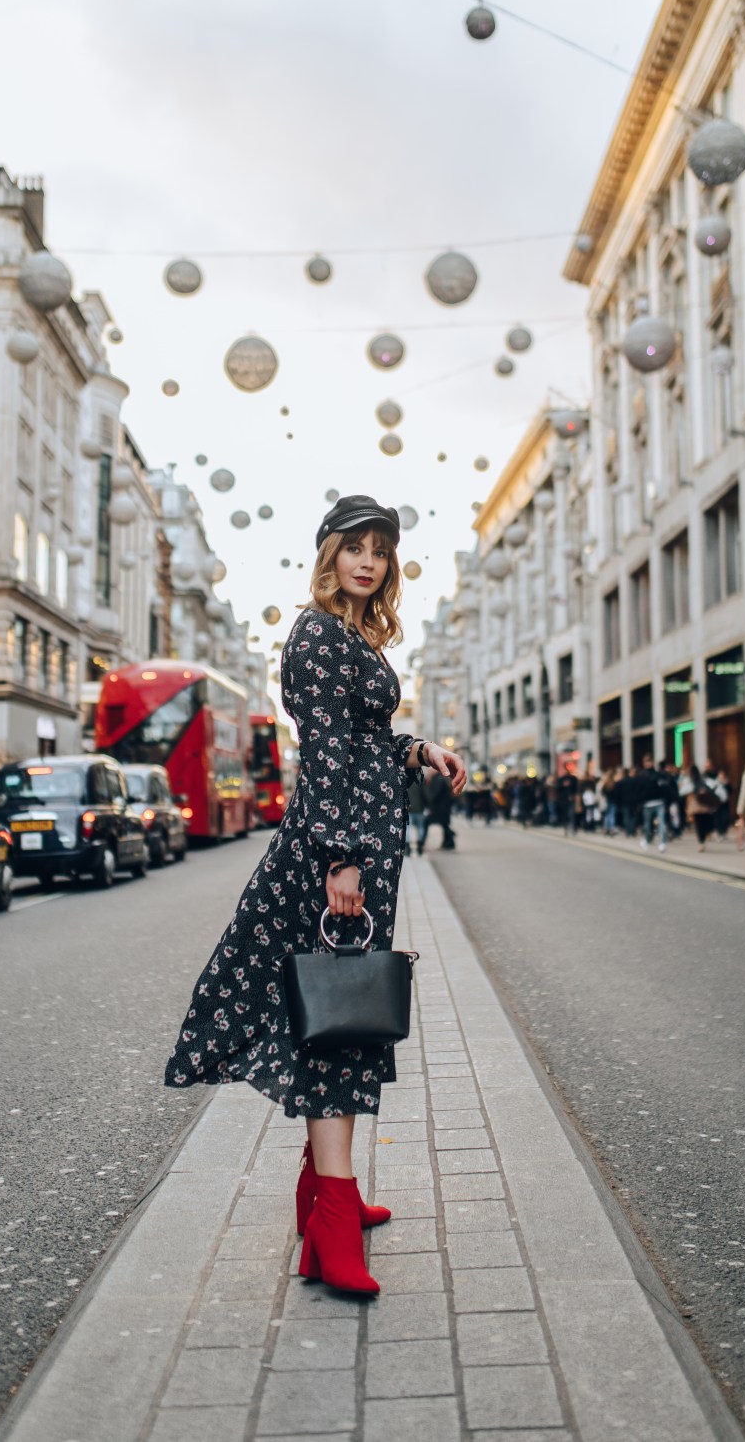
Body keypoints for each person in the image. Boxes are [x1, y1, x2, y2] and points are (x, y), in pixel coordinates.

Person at [163, 494, 467, 1296]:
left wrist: (419, 749)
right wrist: (343, 860)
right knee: (337, 1023)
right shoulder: (317, 634)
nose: (368, 560)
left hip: (361, 848)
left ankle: (325, 1190)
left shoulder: (351, 634)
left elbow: (364, 741)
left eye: (380, 549)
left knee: (342, 1015)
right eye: (354, 547)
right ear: (328, 553)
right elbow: (328, 753)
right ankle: (329, 1220)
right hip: (338, 856)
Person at [636, 754, 667, 850]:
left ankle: (662, 842)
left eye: (649, 761)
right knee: (647, 824)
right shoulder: (641, 775)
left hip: (659, 802)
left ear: (652, 762)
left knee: (661, 823)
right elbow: (638, 790)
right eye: (645, 761)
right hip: (646, 803)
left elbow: (664, 788)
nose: (647, 763)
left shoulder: (658, 774)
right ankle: (647, 839)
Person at [685, 764, 720, 847]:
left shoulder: (692, 780)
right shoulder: (702, 779)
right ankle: (703, 839)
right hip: (703, 805)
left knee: (699, 823)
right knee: (703, 822)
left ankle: (701, 841)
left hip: (697, 804)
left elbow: (685, 791)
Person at [425, 764, 457, 850]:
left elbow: (434, 795)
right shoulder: (440, 778)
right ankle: (448, 842)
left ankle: (449, 842)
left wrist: (428, 802)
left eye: (430, 770)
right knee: (444, 825)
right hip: (443, 808)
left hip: (440, 808)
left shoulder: (438, 780)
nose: (428, 772)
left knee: (431, 823)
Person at [406, 771, 429, 856]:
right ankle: (419, 846)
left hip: (409, 807)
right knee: (420, 828)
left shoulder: (405, 776)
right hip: (420, 808)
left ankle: (407, 848)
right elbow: (426, 794)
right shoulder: (422, 779)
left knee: (408, 828)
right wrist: (427, 805)